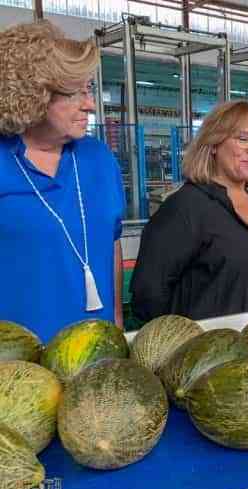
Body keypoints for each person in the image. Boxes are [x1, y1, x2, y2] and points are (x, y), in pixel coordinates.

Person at [0, 21, 125, 343]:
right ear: (33, 96)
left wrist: (116, 321)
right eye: (74, 93)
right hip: (18, 354)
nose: (90, 104)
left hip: (95, 348)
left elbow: (111, 242)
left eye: (89, 89)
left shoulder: (98, 159)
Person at [130, 100, 248, 321]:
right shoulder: (186, 206)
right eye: (243, 139)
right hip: (211, 341)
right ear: (214, 143)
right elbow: (148, 294)